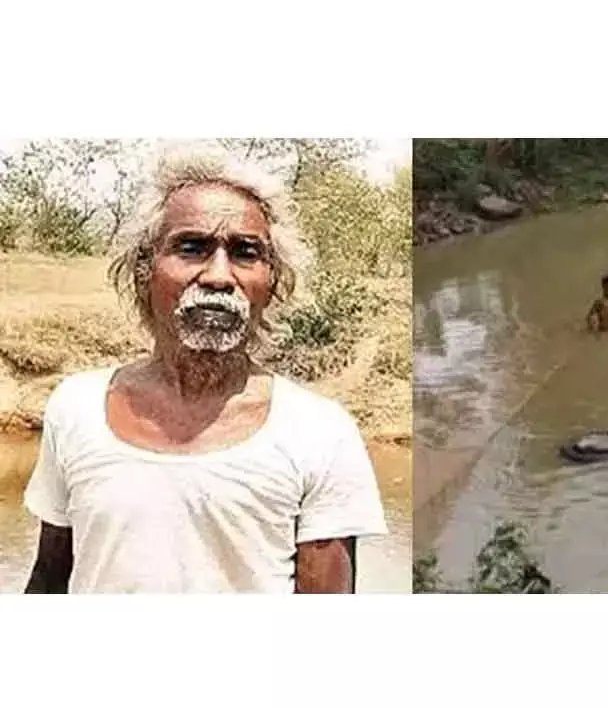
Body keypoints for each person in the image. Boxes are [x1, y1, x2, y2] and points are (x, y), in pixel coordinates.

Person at [22, 143, 388, 593]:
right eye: (192, 248)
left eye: (245, 252)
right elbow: (48, 581)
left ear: (271, 281)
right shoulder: (76, 408)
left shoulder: (320, 432)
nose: (219, 275)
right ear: (144, 270)